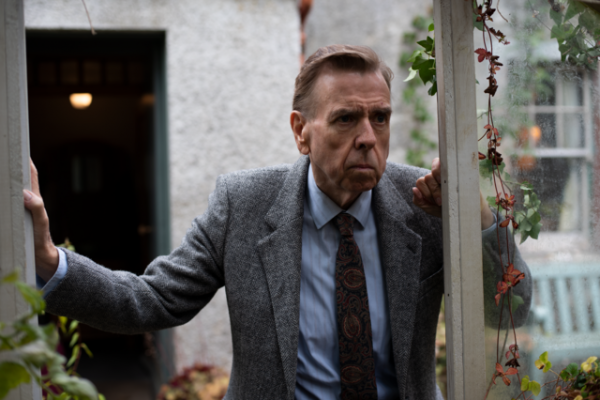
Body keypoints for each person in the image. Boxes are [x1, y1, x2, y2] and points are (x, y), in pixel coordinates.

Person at [24, 45, 531, 400]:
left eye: (380, 117)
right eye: (346, 118)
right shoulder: (242, 204)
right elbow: (152, 299)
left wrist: (479, 219)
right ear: (300, 131)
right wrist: (50, 262)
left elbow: (514, 310)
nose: (368, 137)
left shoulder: (424, 202)